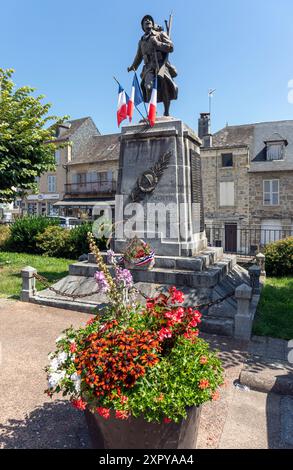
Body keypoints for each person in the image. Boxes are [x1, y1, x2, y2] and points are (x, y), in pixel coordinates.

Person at [127, 14, 178, 117]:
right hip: (149, 67)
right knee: (148, 86)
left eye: (149, 19)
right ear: (142, 26)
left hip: (161, 64)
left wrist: (158, 44)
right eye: (145, 20)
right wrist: (133, 66)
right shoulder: (141, 41)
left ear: (153, 23)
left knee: (165, 87)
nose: (147, 21)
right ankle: (152, 112)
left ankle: (166, 111)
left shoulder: (160, 34)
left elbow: (171, 47)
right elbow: (139, 56)